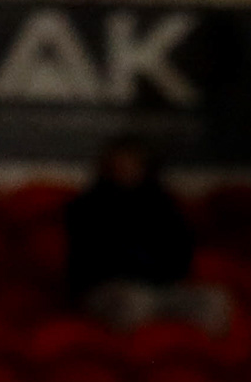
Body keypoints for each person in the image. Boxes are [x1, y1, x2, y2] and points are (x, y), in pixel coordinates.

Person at [63, 137, 225, 331]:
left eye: (133, 163)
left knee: (213, 300)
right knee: (134, 301)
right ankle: (127, 357)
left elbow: (181, 252)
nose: (127, 169)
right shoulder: (89, 206)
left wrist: (161, 270)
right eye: (121, 164)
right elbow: (93, 261)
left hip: (161, 285)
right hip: (110, 288)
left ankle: (196, 357)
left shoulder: (162, 205)